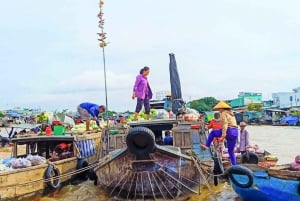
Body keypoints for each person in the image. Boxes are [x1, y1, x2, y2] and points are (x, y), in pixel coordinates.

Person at [201, 101, 239, 165]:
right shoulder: (231, 114)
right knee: (231, 151)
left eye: (219, 109)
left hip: (228, 131)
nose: (218, 110)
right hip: (235, 132)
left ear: (222, 108)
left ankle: (207, 145)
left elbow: (225, 124)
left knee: (213, 133)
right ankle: (234, 165)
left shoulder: (223, 113)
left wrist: (223, 136)